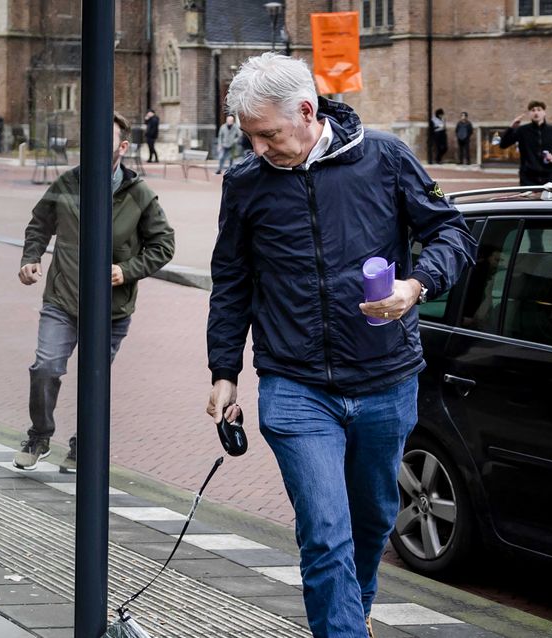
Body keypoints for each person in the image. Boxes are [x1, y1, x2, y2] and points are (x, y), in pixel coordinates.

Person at [205, 53, 475, 638]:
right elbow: (231, 278)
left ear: (306, 111)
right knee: (325, 529)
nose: (258, 149)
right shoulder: (247, 183)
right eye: (248, 137)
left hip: (386, 378)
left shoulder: (383, 158)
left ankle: (356, 611)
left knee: (375, 518)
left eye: (268, 135)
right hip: (294, 385)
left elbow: (451, 230)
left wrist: (416, 285)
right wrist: (223, 370)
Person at [13, 112, 175, 473]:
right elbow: (39, 224)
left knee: (94, 378)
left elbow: (163, 245)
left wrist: (126, 270)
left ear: (123, 146)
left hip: (111, 309)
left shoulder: (140, 194)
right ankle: (39, 435)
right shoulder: (68, 183)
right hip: (63, 299)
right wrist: (31, 258)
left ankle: (82, 446)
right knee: (46, 367)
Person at [499, 100, 552, 251]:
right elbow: (503, 144)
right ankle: (536, 248)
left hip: (549, 178)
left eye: (539, 109)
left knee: (548, 215)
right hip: (529, 178)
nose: (536, 112)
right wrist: (511, 128)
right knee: (532, 215)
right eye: (533, 110)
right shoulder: (523, 131)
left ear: (544, 112)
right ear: (529, 113)